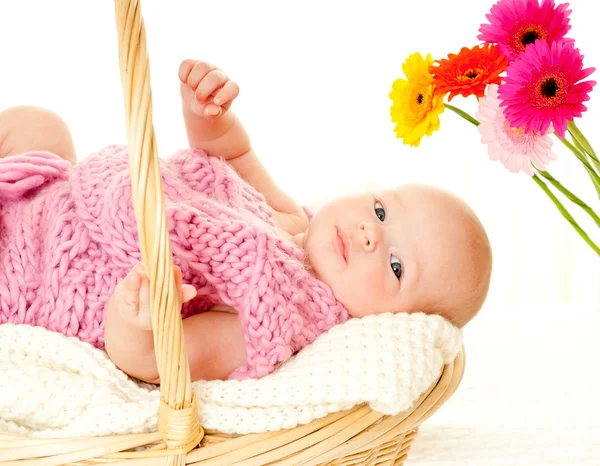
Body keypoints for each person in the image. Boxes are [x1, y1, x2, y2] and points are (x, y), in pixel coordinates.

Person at [0, 59, 492, 383]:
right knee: (40, 125)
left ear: (392, 323)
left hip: (49, 278)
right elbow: (232, 155)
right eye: (382, 211)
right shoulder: (295, 220)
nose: (371, 233)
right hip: (65, 200)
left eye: (396, 265)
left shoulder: (274, 315)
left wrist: (134, 319)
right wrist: (210, 117)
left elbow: (156, 363)